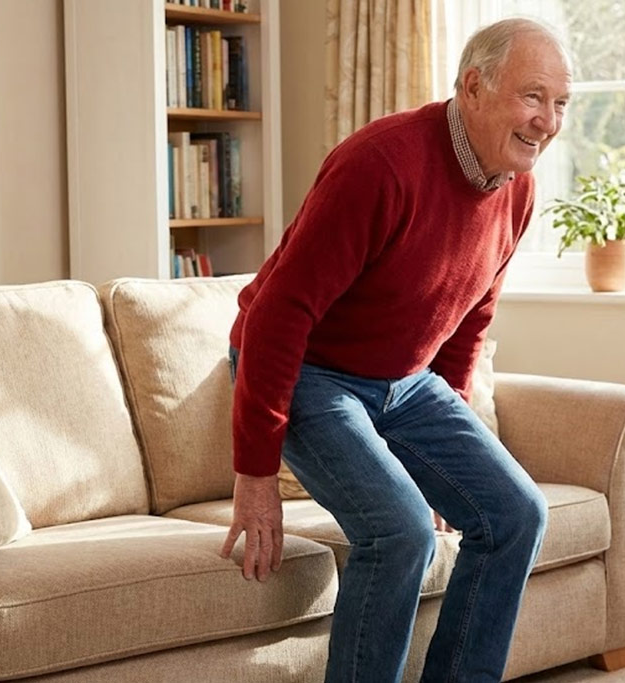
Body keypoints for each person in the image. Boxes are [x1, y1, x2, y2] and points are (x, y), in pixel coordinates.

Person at [220, 17, 572, 683]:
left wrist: (445, 455)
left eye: (560, 103)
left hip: (404, 381)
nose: (547, 121)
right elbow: (277, 315)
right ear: (472, 87)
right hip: (308, 369)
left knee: (516, 513)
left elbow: (471, 316)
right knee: (401, 530)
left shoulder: (518, 189)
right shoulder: (380, 165)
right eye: (532, 96)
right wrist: (256, 475)